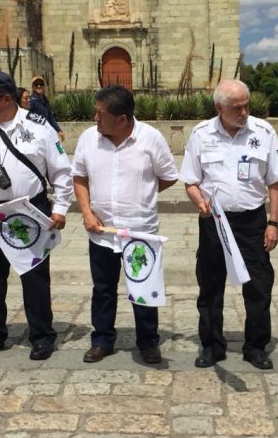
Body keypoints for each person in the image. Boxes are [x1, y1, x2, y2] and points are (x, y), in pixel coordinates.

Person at [0, 70, 72, 360]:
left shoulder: (39, 126)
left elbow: (60, 171)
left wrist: (59, 208)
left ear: (5, 98)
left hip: (28, 210)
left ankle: (42, 335)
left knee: (34, 276)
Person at [180, 79, 278, 370]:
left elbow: (275, 182)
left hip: (252, 222)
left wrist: (273, 223)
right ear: (219, 108)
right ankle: (211, 345)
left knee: (258, 286)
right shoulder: (201, 134)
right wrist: (198, 200)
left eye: (246, 105)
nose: (244, 112)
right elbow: (191, 180)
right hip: (214, 222)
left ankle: (256, 346)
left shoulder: (263, 132)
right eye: (236, 107)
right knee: (210, 286)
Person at [72, 85, 178, 364]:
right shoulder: (88, 139)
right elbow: (79, 177)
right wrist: (87, 212)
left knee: (143, 288)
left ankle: (148, 342)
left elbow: (168, 176)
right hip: (102, 233)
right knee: (103, 290)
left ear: (122, 119)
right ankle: (102, 340)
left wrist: (142, 196)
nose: (95, 118)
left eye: (100, 113)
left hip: (139, 231)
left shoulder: (151, 139)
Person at [30, 76, 64, 141]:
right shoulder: (31, 101)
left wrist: (59, 130)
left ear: (44, 86)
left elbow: (50, 117)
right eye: (36, 84)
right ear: (33, 87)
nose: (39, 86)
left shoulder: (45, 100)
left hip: (47, 133)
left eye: (41, 84)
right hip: (37, 136)